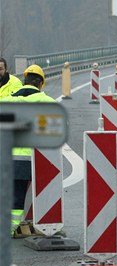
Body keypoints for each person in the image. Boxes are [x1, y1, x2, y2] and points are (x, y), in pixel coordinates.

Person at [0, 64, 55, 236]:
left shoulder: (6, 101)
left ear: (25, 82)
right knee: (17, 196)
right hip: (29, 159)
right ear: (40, 84)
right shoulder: (48, 103)